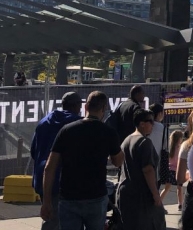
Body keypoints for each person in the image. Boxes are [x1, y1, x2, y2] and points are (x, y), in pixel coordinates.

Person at [40, 91, 124, 230]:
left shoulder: (66, 130)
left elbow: (49, 167)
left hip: (69, 197)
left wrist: (47, 201)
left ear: (85, 107)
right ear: (103, 109)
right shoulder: (108, 132)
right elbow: (118, 161)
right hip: (95, 196)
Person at [30, 92, 82, 230]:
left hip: (43, 178)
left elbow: (34, 151)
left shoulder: (44, 122)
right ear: (77, 105)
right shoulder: (77, 124)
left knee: (51, 217)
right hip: (64, 179)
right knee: (59, 222)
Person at [116, 108, 165, 230]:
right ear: (142, 124)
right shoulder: (144, 142)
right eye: (150, 121)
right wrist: (155, 194)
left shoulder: (127, 140)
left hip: (125, 192)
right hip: (141, 195)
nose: (153, 125)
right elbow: (148, 169)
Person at [159, 130, 184, 211]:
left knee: (167, 188)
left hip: (170, 170)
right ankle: (180, 204)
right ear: (179, 139)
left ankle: (159, 201)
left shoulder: (170, 149)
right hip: (177, 170)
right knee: (179, 188)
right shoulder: (180, 148)